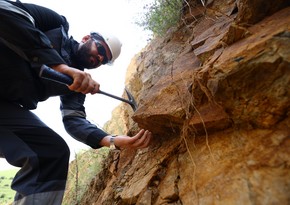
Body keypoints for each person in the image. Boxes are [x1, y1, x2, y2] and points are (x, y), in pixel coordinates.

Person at [0, 0, 152, 204]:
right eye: (100, 48)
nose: (98, 57)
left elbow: (74, 120)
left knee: (51, 152)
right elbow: (6, 10)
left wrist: (111, 140)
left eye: (104, 59)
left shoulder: (76, 85)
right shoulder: (56, 23)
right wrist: (59, 66)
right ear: (87, 38)